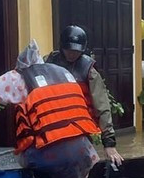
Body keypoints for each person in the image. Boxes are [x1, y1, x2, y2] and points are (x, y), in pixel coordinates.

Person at [0, 40, 100, 178]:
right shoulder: (63, 73)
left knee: (29, 163)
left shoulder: (18, 77)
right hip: (83, 150)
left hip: (45, 153)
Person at [46, 25, 124, 169]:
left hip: (78, 130)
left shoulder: (89, 70)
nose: (72, 54)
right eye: (69, 50)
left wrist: (109, 143)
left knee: (80, 167)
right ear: (62, 47)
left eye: (76, 51)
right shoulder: (47, 63)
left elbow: (102, 106)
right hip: (52, 127)